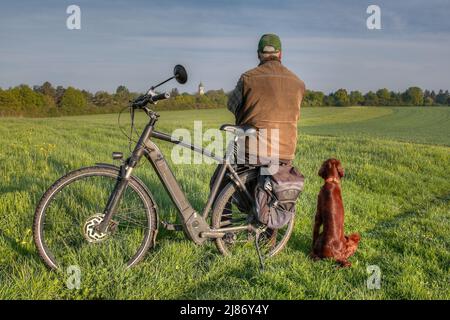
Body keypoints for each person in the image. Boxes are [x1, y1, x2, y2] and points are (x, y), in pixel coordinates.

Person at [227, 33, 306, 166]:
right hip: (285, 153)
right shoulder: (298, 83)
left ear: (258, 54)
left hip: (252, 151)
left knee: (221, 181)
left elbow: (231, 105)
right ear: (280, 54)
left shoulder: (248, 78)